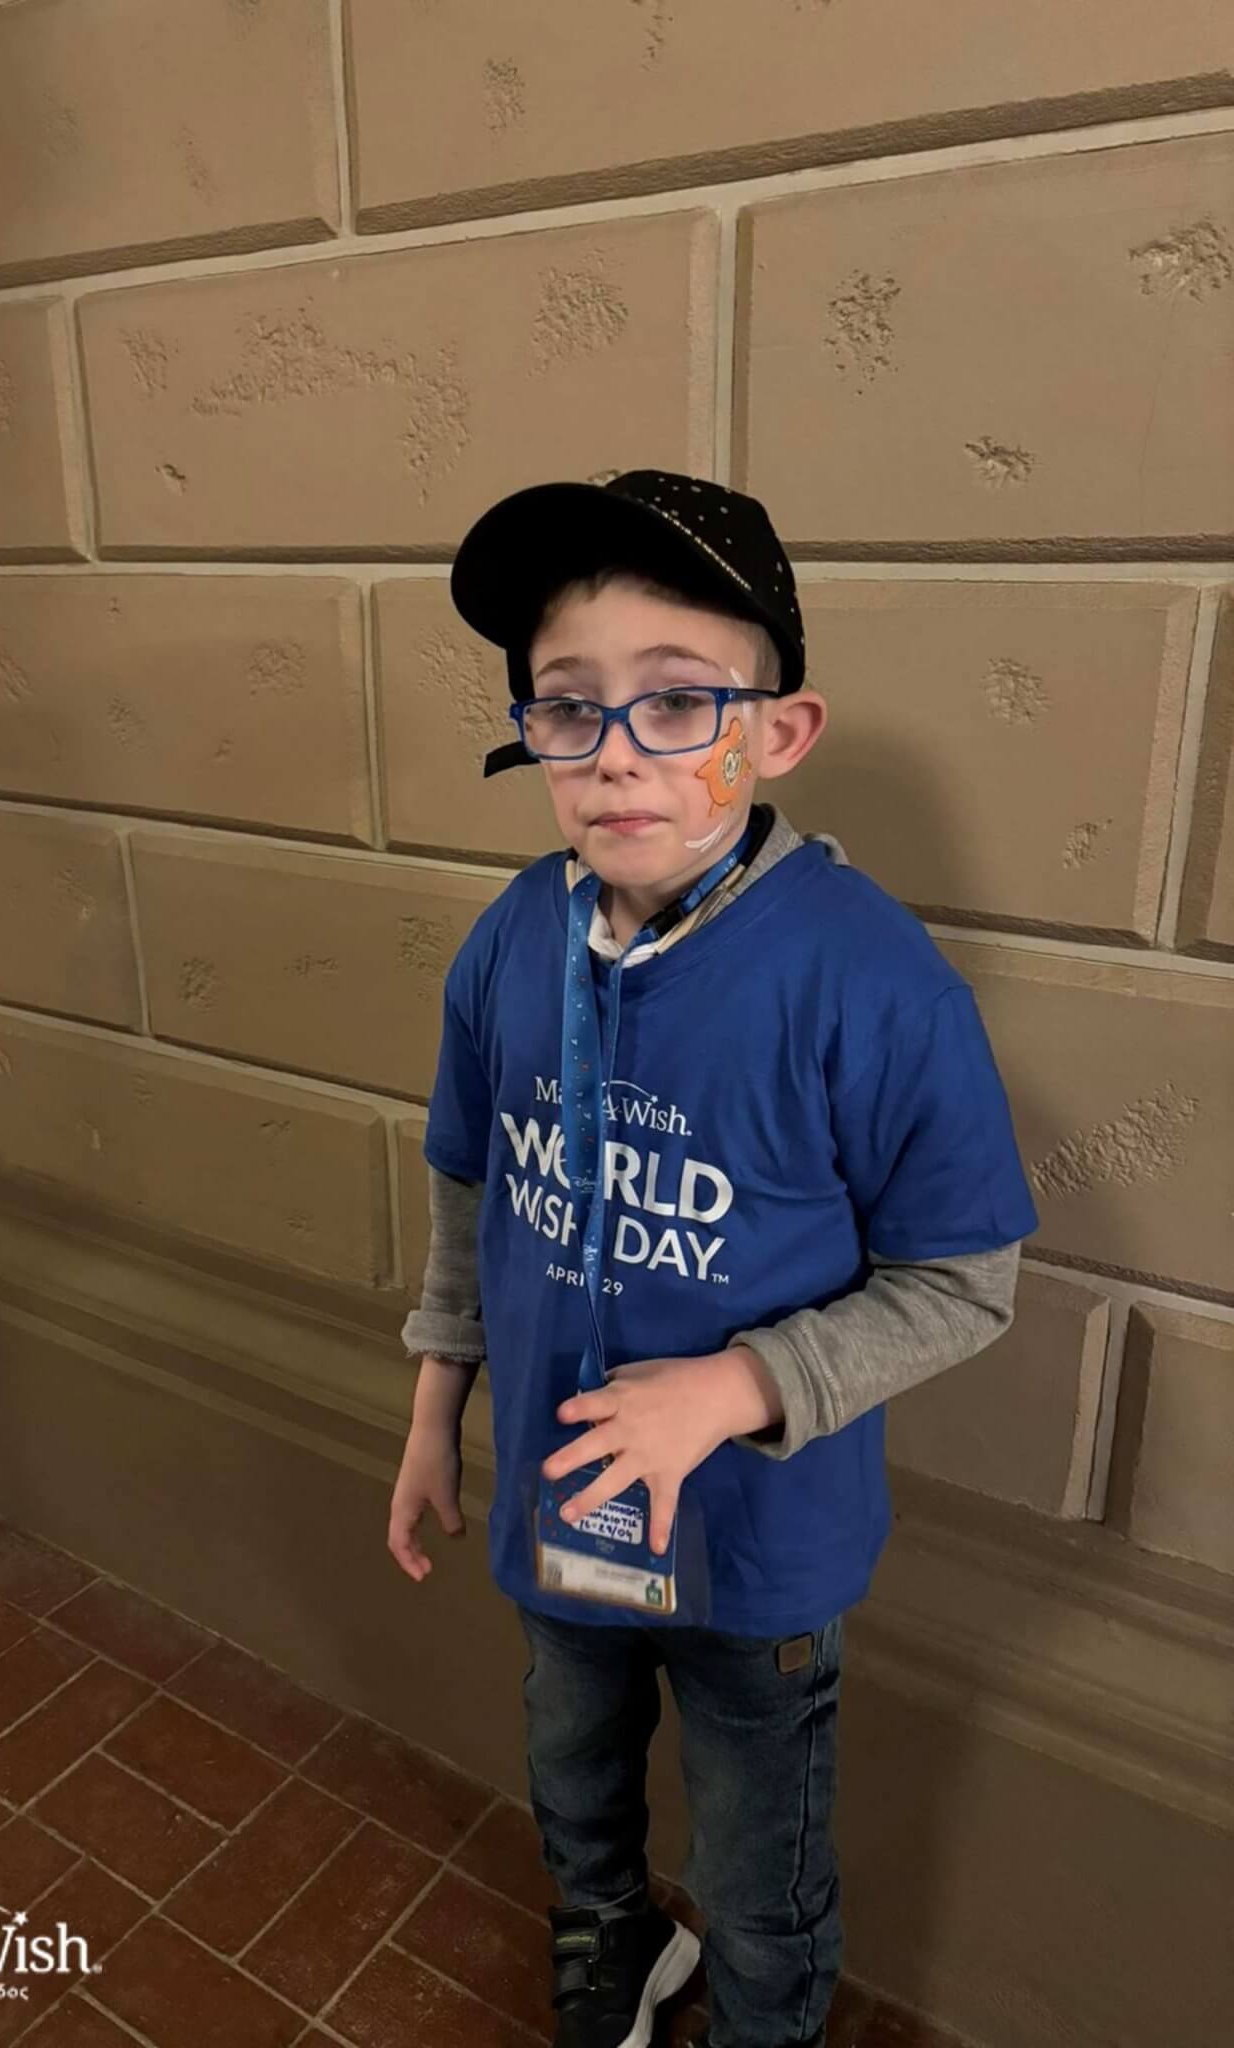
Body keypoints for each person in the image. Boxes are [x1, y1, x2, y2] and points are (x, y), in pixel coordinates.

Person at [386, 470, 1039, 2048]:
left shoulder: (872, 982)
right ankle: (614, 1939)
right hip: (561, 1504)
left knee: (760, 1863)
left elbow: (965, 1282)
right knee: (574, 1772)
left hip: (758, 1554)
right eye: (568, 706)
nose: (616, 752)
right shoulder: (512, 939)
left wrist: (737, 1388)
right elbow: (470, 1184)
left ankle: (762, 2020)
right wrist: (434, 1407)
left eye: (678, 702)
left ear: (781, 731)